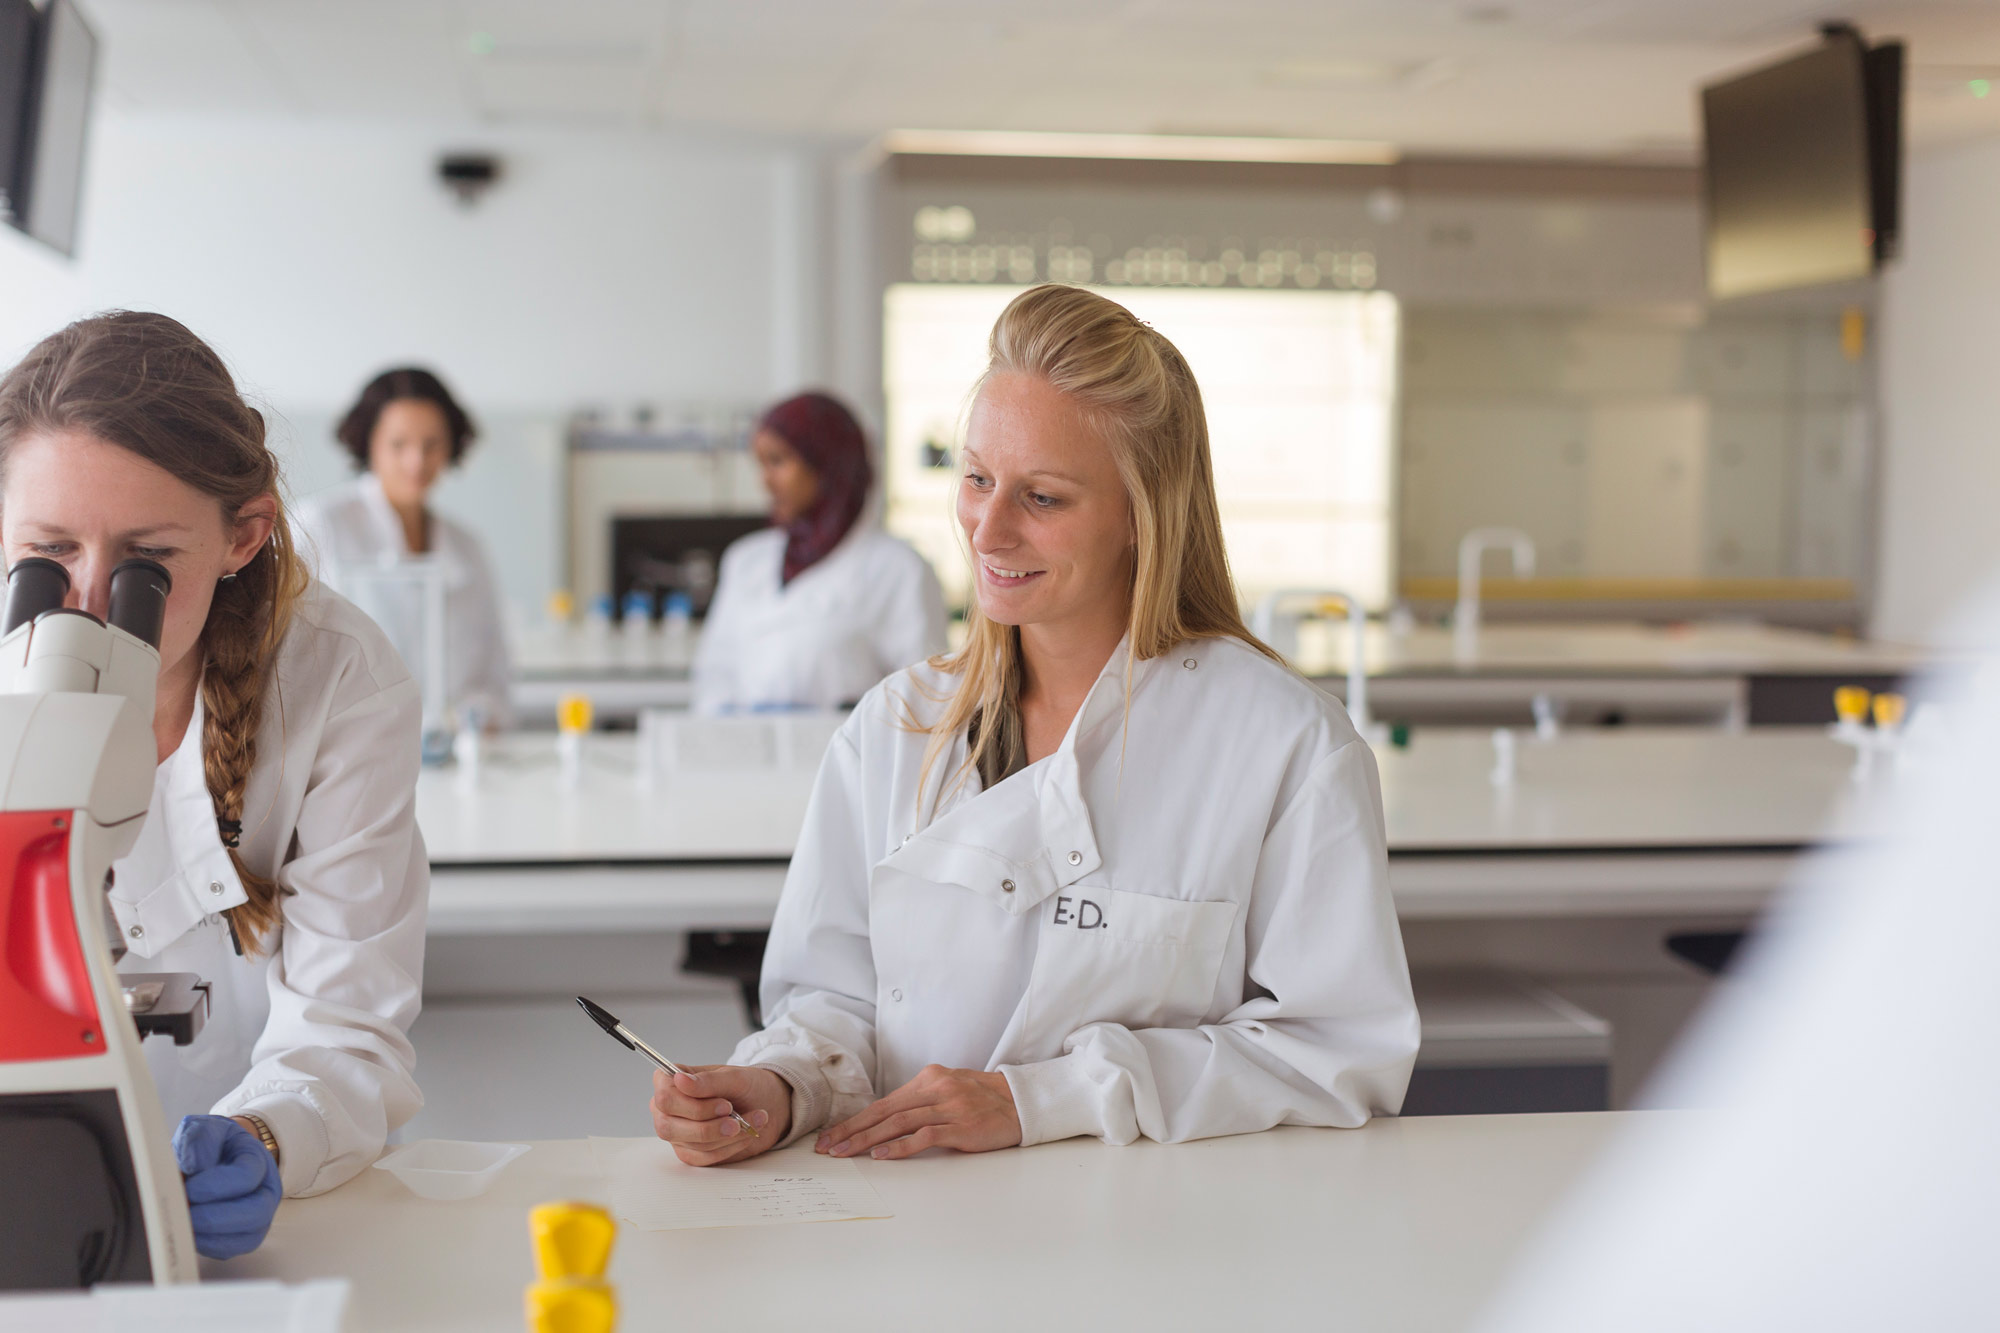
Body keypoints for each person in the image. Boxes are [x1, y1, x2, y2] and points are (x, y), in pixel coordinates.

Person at [648, 285, 1418, 1165]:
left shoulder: (1285, 746)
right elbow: (840, 1001)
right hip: (914, 1229)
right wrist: (784, 1084)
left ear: (1143, 512)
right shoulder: (896, 728)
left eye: (1043, 498)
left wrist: (1038, 1098)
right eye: (976, 478)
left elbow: (1340, 1054)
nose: (988, 528)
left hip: (1161, 1245)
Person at [0, 312, 427, 1258]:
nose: (89, 599)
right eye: (49, 551)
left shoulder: (336, 681)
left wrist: (268, 1136)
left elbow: (348, 1022)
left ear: (243, 536)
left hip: (273, 1205)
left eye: (146, 563)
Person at [691, 391, 946, 713]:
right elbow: (714, 674)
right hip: (744, 756)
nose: (765, 482)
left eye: (778, 461)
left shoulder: (898, 568)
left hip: (854, 759)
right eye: (761, 464)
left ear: (826, 464)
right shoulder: (746, 561)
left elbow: (927, 698)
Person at [295, 367, 512, 729]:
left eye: (432, 444)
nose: (417, 462)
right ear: (369, 444)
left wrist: (476, 719)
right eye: (399, 445)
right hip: (349, 757)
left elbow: (493, 670)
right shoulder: (319, 525)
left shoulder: (467, 548)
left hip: (450, 756)